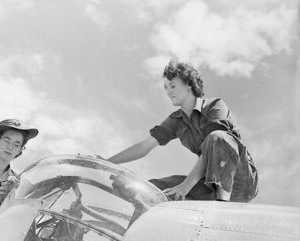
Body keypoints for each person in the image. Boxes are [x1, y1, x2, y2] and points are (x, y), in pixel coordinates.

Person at [107, 59, 258, 202]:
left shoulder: (215, 105)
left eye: (172, 86)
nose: (168, 92)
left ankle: (221, 205)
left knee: (216, 137)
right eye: (166, 88)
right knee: (155, 188)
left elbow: (217, 144)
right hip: (210, 185)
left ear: (188, 84)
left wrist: (185, 187)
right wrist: (105, 162)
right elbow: (143, 147)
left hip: (242, 182)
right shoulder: (176, 120)